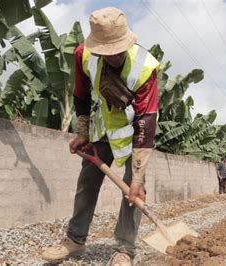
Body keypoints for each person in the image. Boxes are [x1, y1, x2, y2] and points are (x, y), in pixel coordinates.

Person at [41, 7, 161, 264]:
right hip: (101, 129)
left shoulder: (144, 67)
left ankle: (125, 249)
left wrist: (137, 176)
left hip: (133, 134)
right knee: (86, 183)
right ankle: (75, 240)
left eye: (118, 50)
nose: (114, 56)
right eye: (108, 51)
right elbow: (81, 95)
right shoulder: (84, 55)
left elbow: (146, 122)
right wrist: (83, 133)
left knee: (133, 190)